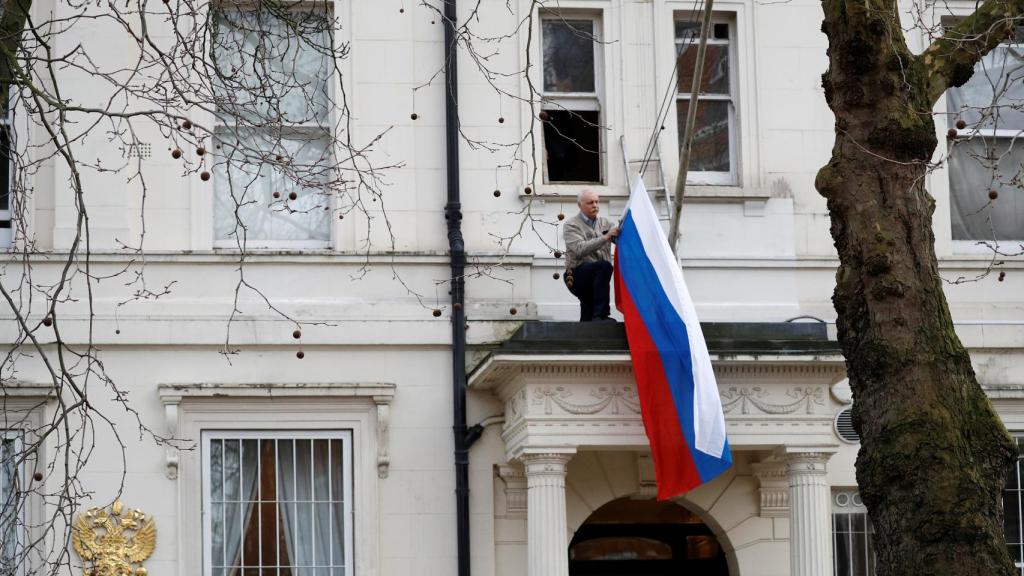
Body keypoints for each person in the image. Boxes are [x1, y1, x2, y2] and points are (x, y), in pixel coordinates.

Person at [563, 189, 619, 322]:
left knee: (588, 315)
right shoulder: (571, 225)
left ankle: (589, 328)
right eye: (590, 202)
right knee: (604, 267)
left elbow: (621, 240)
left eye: (596, 202)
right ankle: (602, 315)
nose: (595, 205)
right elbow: (579, 249)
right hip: (576, 275)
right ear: (580, 205)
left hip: (596, 278)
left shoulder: (606, 223)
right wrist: (606, 237)